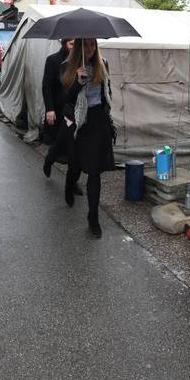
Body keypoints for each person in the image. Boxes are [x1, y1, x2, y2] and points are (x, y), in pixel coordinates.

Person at [62, 38, 115, 238]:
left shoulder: (103, 63)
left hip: (98, 120)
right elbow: (65, 98)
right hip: (77, 121)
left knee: (95, 171)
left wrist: (106, 109)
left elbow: (107, 89)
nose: (90, 49)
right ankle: (69, 185)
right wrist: (77, 82)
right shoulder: (67, 65)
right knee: (75, 165)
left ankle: (93, 216)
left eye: (93, 44)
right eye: (85, 45)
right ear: (78, 47)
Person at [42, 39, 81, 191]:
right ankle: (50, 159)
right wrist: (49, 109)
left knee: (75, 148)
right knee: (60, 145)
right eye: (71, 44)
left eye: (76, 44)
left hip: (75, 110)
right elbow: (47, 87)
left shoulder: (81, 61)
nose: (74, 47)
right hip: (59, 109)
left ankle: (72, 181)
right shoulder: (52, 60)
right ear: (64, 43)